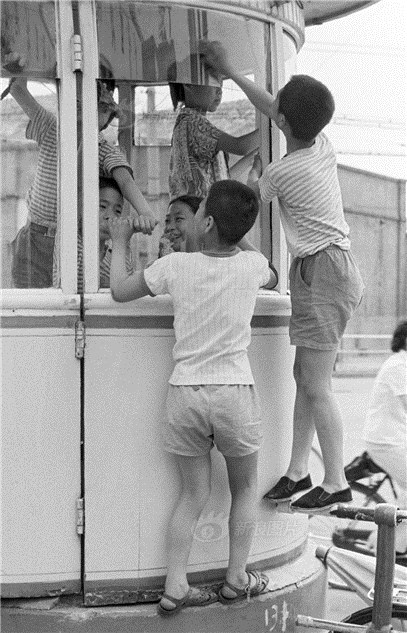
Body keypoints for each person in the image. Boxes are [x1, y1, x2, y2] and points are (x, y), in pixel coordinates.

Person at [202, 42, 364, 513]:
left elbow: (246, 199)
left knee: (317, 385)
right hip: (329, 268)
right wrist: (232, 69)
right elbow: (275, 107)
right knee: (305, 376)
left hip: (323, 271)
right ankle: (297, 470)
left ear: (284, 125)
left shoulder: (284, 172)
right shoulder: (322, 147)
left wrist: (235, 178)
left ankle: (336, 481)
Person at [109, 180, 278, 615]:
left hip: (185, 392)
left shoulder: (175, 266)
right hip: (234, 391)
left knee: (193, 494)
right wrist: (237, 231)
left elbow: (119, 291)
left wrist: (120, 240)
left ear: (206, 222)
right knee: (244, 488)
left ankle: (175, 585)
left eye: (200, 210)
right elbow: (274, 275)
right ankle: (236, 578)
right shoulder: (253, 265)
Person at [3, 51, 157, 288]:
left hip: (72, 243)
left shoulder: (102, 149)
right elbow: (18, 91)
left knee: (67, 297)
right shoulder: (51, 128)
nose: (80, 105)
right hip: (33, 239)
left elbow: (125, 180)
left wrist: (145, 211)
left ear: (107, 114)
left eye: (93, 103)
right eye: (73, 96)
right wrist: (17, 67)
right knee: (31, 300)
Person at [168, 56, 259, 202]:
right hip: (200, 212)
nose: (219, 91)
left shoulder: (185, 122)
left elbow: (222, 180)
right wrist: (273, 122)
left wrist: (252, 158)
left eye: (221, 85)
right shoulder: (193, 123)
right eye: (213, 83)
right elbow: (240, 146)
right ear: (188, 85)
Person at [363, 320, 407, 555]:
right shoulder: (399, 365)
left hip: (394, 438)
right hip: (386, 441)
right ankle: (387, 545)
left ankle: (396, 541)